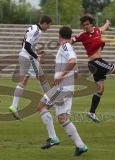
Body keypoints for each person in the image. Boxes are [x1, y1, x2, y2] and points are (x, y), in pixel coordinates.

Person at [72, 15, 115, 122]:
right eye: (83, 25)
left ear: (91, 24)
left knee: (100, 89)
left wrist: (108, 23)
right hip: (95, 62)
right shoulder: (82, 35)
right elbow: (72, 40)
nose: (85, 26)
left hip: (96, 63)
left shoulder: (97, 31)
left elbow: (103, 27)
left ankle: (91, 112)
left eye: (87, 24)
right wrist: (65, 43)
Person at [38, 26, 88, 156]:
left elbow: (72, 61)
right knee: (62, 118)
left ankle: (53, 138)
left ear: (59, 35)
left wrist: (61, 75)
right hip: (68, 88)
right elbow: (74, 67)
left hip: (62, 88)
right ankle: (81, 146)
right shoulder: (69, 47)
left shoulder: (65, 46)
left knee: (42, 106)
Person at [9, 15, 52, 119]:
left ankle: (14, 106)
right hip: (29, 58)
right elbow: (27, 45)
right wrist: (36, 56)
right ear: (45, 23)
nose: (49, 27)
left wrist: (36, 52)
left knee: (25, 81)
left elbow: (24, 44)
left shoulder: (32, 27)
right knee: (41, 78)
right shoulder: (37, 31)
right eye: (49, 25)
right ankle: (51, 98)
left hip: (24, 56)